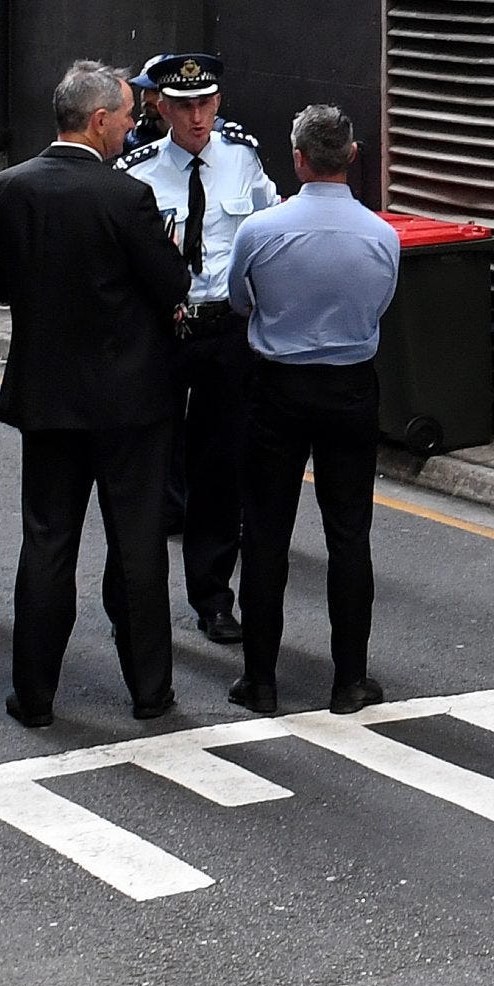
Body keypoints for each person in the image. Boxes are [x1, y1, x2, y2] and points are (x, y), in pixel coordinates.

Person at [0, 59, 191, 726]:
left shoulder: (9, 189)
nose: (134, 128)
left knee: (47, 543)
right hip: (131, 401)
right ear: (98, 121)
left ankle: (35, 696)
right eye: (128, 118)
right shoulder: (126, 197)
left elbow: (2, 285)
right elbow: (172, 284)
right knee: (137, 546)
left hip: (48, 398)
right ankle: (150, 692)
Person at [224, 104, 402, 716]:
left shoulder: (260, 230)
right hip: (351, 387)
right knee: (349, 534)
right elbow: (379, 307)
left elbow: (240, 302)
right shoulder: (383, 235)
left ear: (298, 159)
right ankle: (349, 679)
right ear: (352, 157)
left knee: (265, 533)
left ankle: (261, 680)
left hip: (277, 387)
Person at [117, 52, 277, 645]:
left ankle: (213, 598)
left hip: (226, 328)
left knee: (220, 466)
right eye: (183, 106)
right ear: (159, 107)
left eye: (205, 103)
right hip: (161, 330)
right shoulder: (136, 170)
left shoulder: (244, 157)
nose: (196, 117)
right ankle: (140, 601)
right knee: (150, 463)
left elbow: (265, 234)